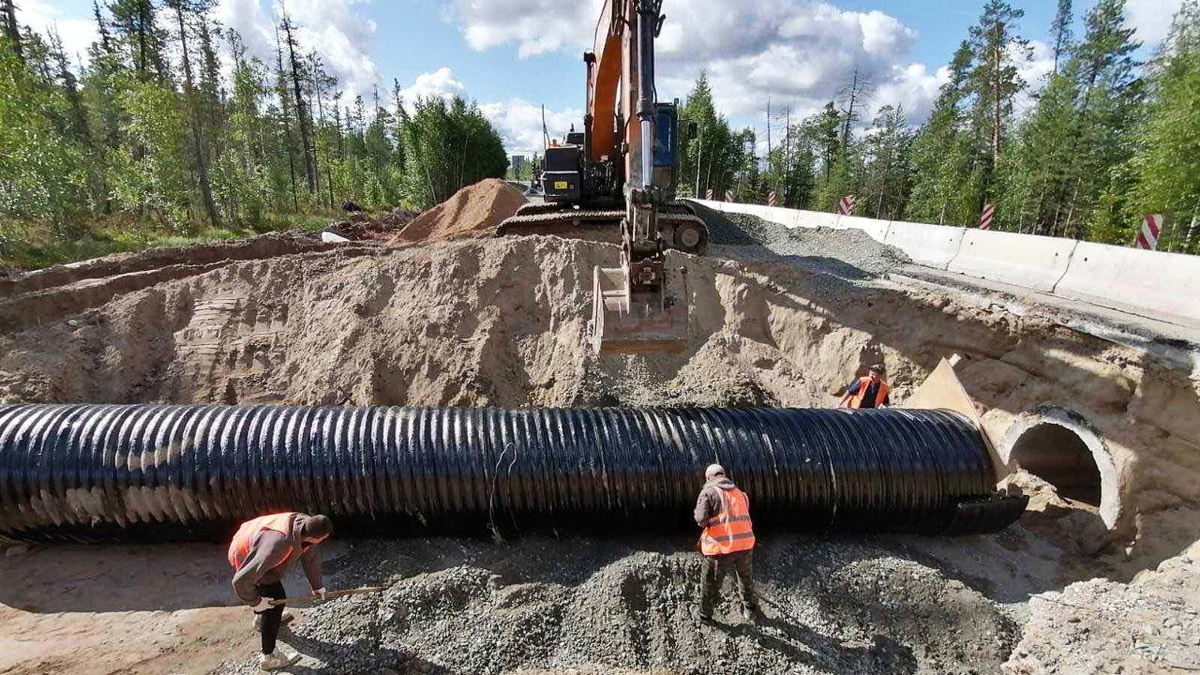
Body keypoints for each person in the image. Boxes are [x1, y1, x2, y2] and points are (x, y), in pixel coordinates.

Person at [228, 512, 333, 671]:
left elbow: (310, 558)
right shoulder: (277, 546)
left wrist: (317, 586)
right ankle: (268, 657)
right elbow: (241, 580)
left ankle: (259, 620)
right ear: (317, 538)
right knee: (274, 601)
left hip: (255, 535)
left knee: (270, 591)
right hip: (243, 551)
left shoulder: (305, 525)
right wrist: (256, 601)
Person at [694, 464, 759, 623]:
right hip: (745, 545)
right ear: (724, 475)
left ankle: (704, 615)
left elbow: (700, 519)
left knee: (711, 583)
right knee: (745, 578)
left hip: (720, 548)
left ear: (709, 478)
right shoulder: (741, 494)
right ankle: (750, 610)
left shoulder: (708, 493)